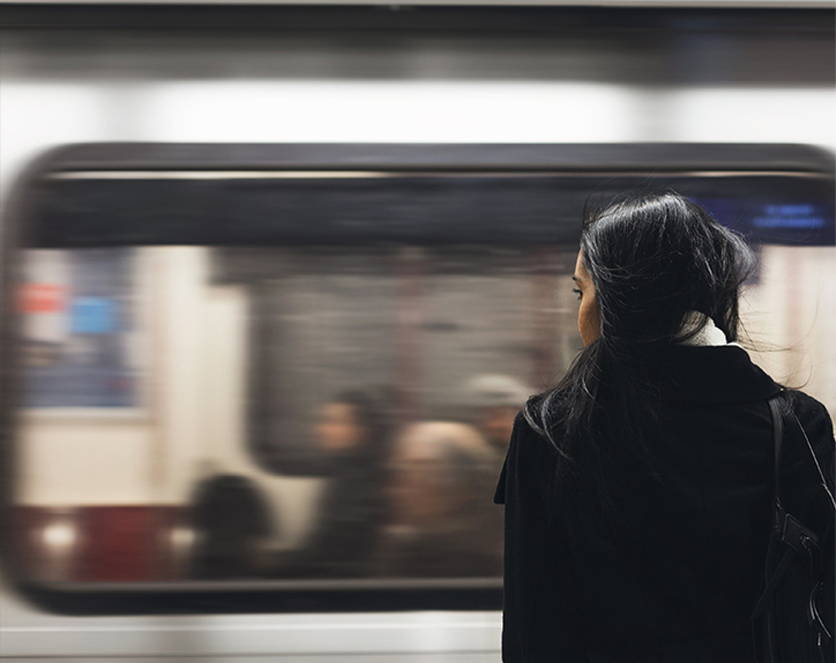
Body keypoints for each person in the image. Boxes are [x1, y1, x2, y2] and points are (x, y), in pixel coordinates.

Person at [495, 193, 836, 662]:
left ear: (619, 299)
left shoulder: (552, 433)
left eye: (581, 291)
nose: (579, 315)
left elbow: (534, 635)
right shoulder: (798, 424)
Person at [376, 421, 502, 578]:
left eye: (414, 476)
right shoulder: (403, 546)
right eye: (398, 474)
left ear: (463, 487)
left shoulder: (472, 560)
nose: (393, 492)